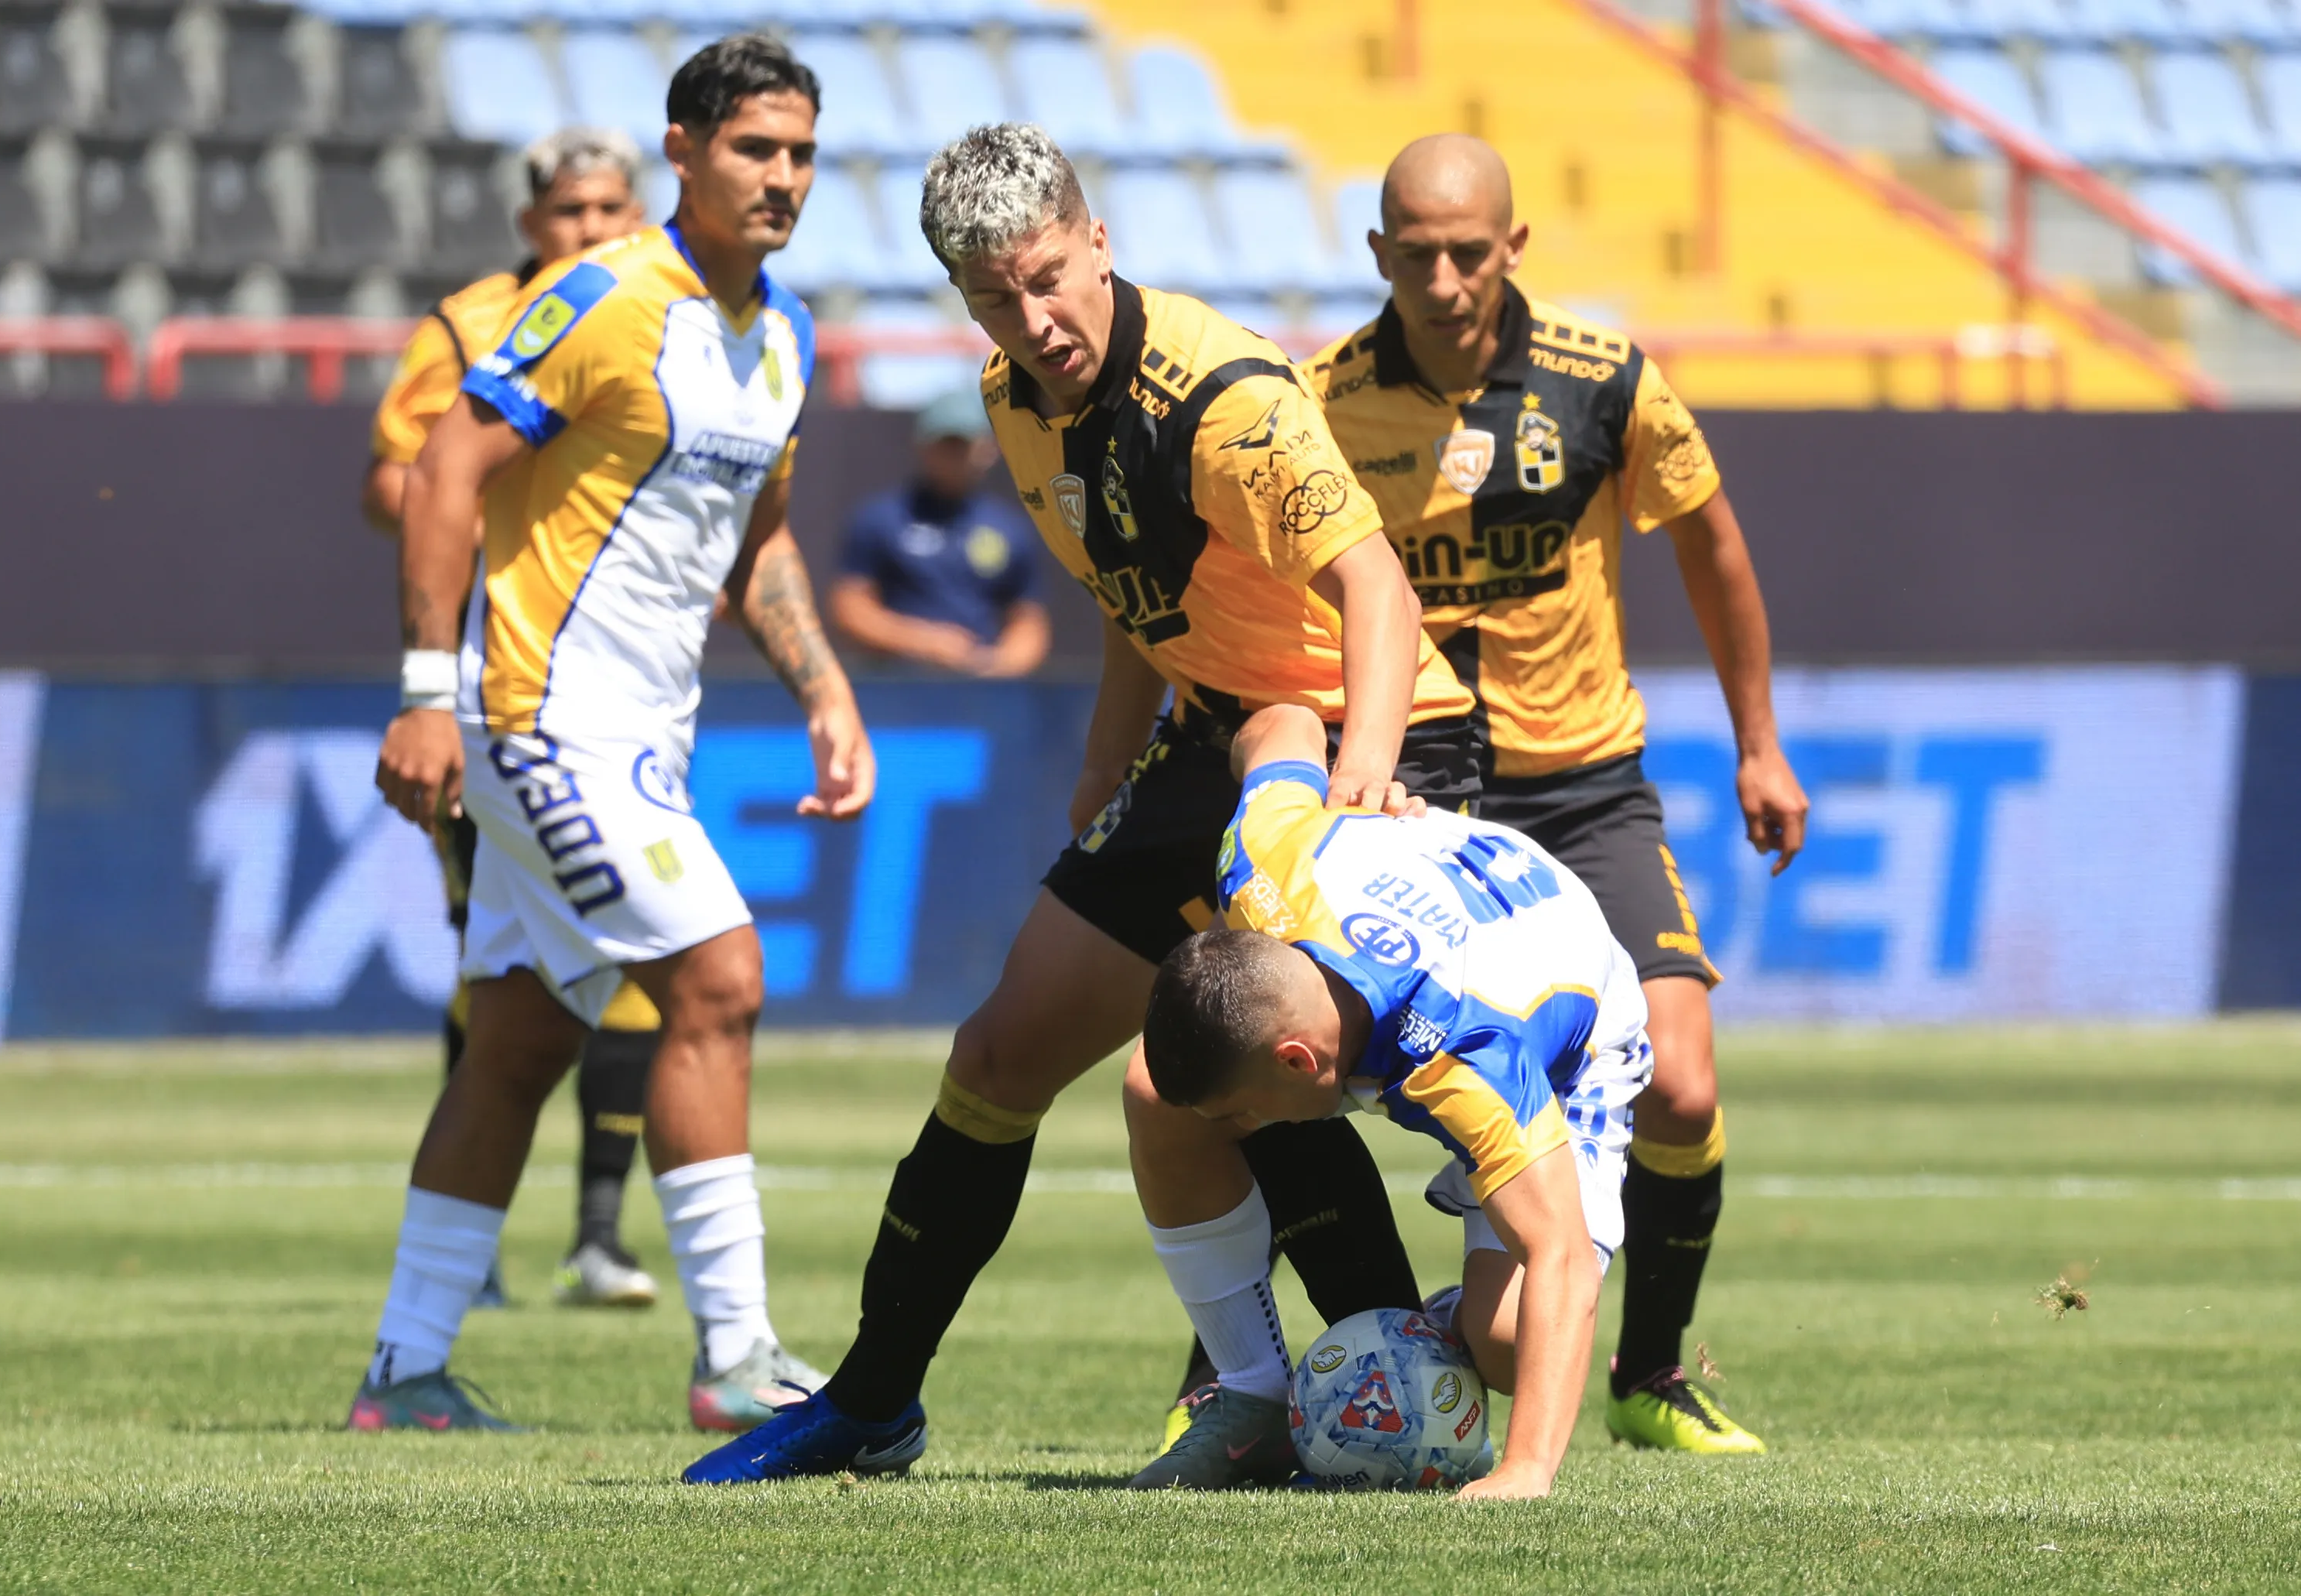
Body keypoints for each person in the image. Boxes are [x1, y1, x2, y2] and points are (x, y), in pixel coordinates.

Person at [683, 122, 1484, 1487]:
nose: (1034, 319)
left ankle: (1392, 1404)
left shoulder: (1226, 399)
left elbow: (1378, 593)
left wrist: (1356, 786)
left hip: (1361, 738)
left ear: (1097, 241)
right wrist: (1109, 759)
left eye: (1048, 277)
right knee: (996, 1056)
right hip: (1208, 737)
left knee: (1214, 1068)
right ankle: (871, 1402)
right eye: (996, 297)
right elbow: (1135, 593)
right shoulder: (1011, 399)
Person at [350, 33, 875, 1437]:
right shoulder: (603, 296)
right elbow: (443, 469)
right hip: (538, 715)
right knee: (719, 976)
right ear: (682, 152)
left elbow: (758, 543)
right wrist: (424, 689)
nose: (782, 177)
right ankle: (739, 1355)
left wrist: (823, 690)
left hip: (645, 731)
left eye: (800, 153)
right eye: (754, 148)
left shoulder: (785, 333)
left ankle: (403, 1371)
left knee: (518, 1040)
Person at [1305, 132, 1809, 1454]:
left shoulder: (1603, 381)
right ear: (1377, 252)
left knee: (1680, 1088)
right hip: (1410, 791)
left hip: (1581, 783)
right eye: (1416, 255)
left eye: (1468, 253)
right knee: (1285, 1059)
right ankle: (1232, 1376)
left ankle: (1651, 1373)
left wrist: (1757, 742)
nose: (1443, 280)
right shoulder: (1320, 402)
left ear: (1513, 246)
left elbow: (1712, 546)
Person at [1132, 704, 1652, 1498]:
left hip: (1567, 1033)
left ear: (1298, 1058)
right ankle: (1250, 1394)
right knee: (1156, 1093)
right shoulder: (1262, 861)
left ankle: (1444, 1326)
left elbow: (1564, 1256)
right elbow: (1282, 723)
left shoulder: (1471, 1057)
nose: (1241, 1132)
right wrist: (1357, 774)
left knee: (1509, 1344)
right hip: (1414, 919)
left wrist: (1524, 1470)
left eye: (1243, 1111)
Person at [362, 126, 661, 1313]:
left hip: (624, 683)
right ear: (532, 221)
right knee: (497, 962)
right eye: (569, 211)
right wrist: (505, 489)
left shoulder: (667, 312)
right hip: (498, 679)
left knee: (635, 955)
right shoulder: (470, 325)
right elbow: (393, 478)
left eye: (609, 208)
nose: (590, 228)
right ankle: (471, 1244)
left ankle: (597, 1237)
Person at [828, 388, 1050, 676]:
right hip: (899, 685)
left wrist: (997, 666)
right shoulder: (881, 519)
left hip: (980, 689)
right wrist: (925, 643)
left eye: (963, 445)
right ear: (922, 446)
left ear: (989, 448)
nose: (954, 456)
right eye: (946, 444)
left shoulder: (1010, 529)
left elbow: (1029, 621)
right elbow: (850, 607)